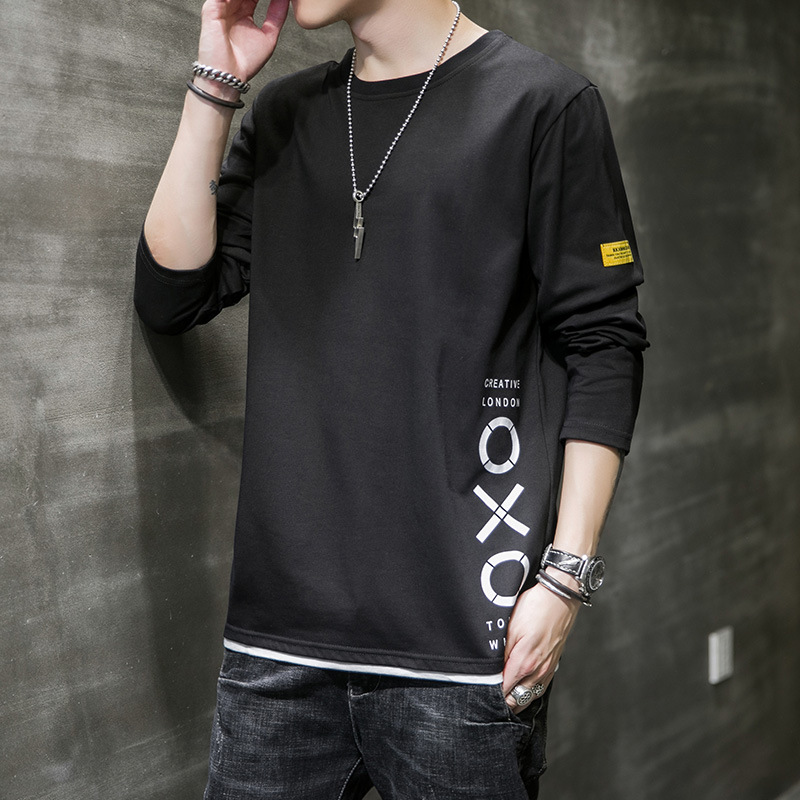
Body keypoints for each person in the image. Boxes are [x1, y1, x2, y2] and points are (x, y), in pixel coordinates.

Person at [134, 0, 648, 797]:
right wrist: (216, 82)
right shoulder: (288, 114)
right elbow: (173, 296)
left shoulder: (542, 105)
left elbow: (604, 344)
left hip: (461, 648)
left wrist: (565, 578)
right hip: (280, 646)